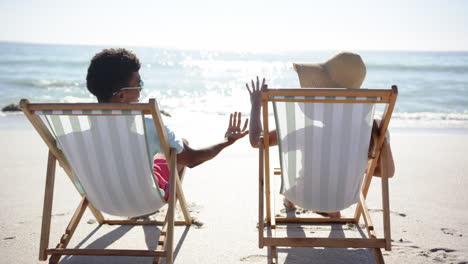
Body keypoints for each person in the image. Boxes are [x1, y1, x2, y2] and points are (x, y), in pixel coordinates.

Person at [86, 48, 248, 200]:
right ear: (122, 95)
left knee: (161, 158)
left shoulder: (75, 132)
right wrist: (227, 142)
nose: (141, 90)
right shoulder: (149, 127)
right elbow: (192, 159)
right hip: (143, 201)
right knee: (178, 148)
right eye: (139, 84)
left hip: (99, 198)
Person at [246, 52, 374, 218]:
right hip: (344, 198)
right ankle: (332, 209)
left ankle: (290, 201)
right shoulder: (371, 131)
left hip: (302, 197)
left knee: (299, 186)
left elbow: (257, 141)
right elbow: (388, 172)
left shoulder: (307, 131)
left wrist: (256, 105)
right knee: (334, 175)